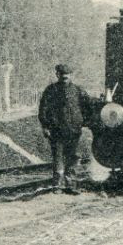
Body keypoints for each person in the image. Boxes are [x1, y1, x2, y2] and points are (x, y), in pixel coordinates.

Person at [38, 63, 98, 194]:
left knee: (72, 157)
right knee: (58, 157)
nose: (65, 77)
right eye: (62, 75)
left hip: (73, 130)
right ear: (57, 75)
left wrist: (85, 121)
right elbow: (43, 110)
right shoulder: (51, 91)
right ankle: (57, 186)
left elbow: (89, 107)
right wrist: (45, 126)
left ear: (71, 75)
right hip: (56, 130)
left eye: (67, 75)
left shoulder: (78, 91)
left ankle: (71, 184)